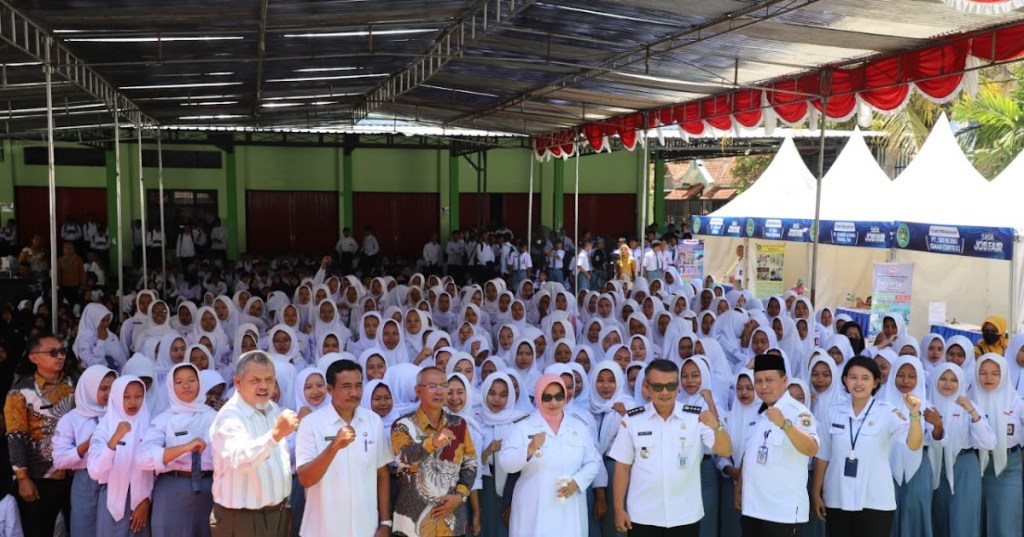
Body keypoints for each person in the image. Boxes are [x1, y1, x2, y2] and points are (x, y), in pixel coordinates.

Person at [610, 359, 731, 537]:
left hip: (684, 515)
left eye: (671, 386)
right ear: (647, 387)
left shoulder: (695, 417)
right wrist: (618, 509)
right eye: (658, 387)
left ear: (678, 387)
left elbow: (725, 451)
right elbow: (622, 467)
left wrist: (717, 427)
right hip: (643, 515)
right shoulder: (633, 420)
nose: (665, 392)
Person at [812, 356, 924, 536]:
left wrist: (915, 415)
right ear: (845, 380)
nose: (858, 383)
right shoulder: (834, 412)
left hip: (875, 499)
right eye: (853, 377)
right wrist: (816, 493)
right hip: (837, 496)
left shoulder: (887, 411)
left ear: (875, 382)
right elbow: (823, 455)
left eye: (865, 378)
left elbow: (914, 444)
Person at [296, 359, 392, 537]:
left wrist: (386, 522)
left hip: (366, 528)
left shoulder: (373, 421)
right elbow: (305, 479)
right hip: (323, 530)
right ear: (330, 389)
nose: (354, 393)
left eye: (358, 386)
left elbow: (382, 474)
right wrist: (333, 447)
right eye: (346, 387)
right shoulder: (311, 424)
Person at [208, 351, 299, 537]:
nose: (264, 386)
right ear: (237, 382)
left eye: (269, 380)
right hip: (242, 518)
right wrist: (275, 435)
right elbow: (240, 460)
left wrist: (286, 505)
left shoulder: (273, 409)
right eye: (255, 380)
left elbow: (280, 462)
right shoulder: (229, 417)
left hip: (277, 514)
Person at [499, 374, 601, 537]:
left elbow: (594, 461)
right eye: (547, 398)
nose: (554, 402)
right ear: (538, 398)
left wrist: (578, 482)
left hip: (569, 504)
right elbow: (506, 463)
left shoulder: (579, 426)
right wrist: (529, 449)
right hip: (534, 507)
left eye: (559, 396)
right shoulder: (523, 427)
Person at [736, 354, 820, 537]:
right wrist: (740, 485)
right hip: (753, 508)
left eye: (769, 380)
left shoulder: (797, 412)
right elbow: (750, 452)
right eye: (758, 381)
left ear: (784, 381)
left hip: (782, 512)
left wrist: (785, 425)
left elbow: (811, 448)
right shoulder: (757, 411)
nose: (763, 386)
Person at [391, 367, 477, 537]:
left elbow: (470, 463)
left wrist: (460, 496)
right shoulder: (402, 425)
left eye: (443, 386)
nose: (439, 391)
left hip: (452, 522)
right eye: (432, 386)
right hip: (412, 524)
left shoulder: (458, 424)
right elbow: (402, 459)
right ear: (418, 391)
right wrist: (432, 442)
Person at [5, 334, 75, 537]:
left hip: (73, 473)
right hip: (39, 477)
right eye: (53, 352)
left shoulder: (73, 384)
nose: (60, 356)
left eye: (62, 351)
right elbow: (15, 437)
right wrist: (23, 478)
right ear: (34, 357)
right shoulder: (20, 392)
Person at [140, 362, 217, 537]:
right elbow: (143, 458)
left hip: (209, 489)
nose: (186, 386)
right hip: (172, 489)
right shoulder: (164, 419)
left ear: (200, 383)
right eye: (179, 382)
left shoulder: (215, 417)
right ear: (170, 386)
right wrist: (184, 448)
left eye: (191, 380)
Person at [929, 363, 994, 537]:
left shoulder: (969, 406)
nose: (948, 384)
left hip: (964, 464)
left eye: (954, 380)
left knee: (964, 516)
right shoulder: (927, 405)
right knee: (939, 515)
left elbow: (988, 442)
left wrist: (972, 411)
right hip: (935, 463)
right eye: (943, 379)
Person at [53, 364, 117, 537]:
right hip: (86, 481)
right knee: (85, 528)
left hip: (116, 478)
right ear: (89, 388)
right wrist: (87, 444)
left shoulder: (119, 415)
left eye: (113, 388)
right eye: (103, 388)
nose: (109, 393)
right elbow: (59, 460)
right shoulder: (71, 419)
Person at [87, 375, 154, 537]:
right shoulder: (105, 427)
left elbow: (155, 468)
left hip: (142, 500)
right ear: (116, 396)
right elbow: (95, 470)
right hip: (113, 497)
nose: (132, 402)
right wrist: (115, 439)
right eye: (126, 397)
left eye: (138, 396)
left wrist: (146, 499)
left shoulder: (150, 425)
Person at [972, 353, 1024, 537]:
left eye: (995, 373)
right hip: (975, 467)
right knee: (976, 524)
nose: (989, 378)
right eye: (983, 373)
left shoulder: (1016, 402)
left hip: (1008, 468)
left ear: (1004, 375)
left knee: (1005, 523)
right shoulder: (969, 400)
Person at [57, 241, 86, 308]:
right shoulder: (60, 260)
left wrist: (83, 284)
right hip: (64, 286)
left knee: (75, 303)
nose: (68, 250)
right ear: (63, 249)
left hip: (75, 286)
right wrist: (58, 283)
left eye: (70, 248)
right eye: (66, 248)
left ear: (73, 249)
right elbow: (58, 273)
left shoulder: (78, 259)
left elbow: (82, 273)